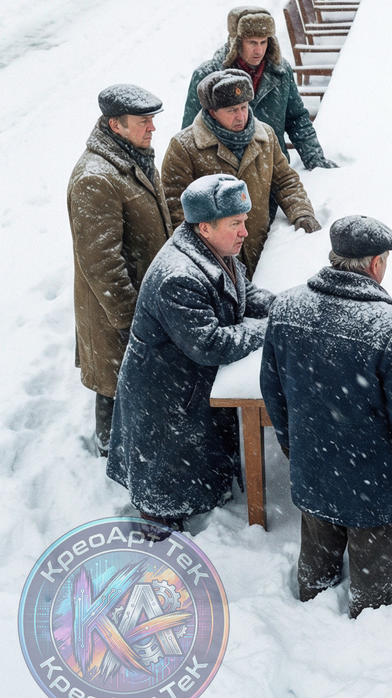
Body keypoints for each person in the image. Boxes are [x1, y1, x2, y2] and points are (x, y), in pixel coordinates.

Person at [260, 215, 392, 618]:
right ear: (376, 264)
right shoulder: (390, 327)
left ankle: (307, 622)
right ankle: (368, 639)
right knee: (373, 596)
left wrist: (294, 443)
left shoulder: (287, 308)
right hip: (372, 485)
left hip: (315, 472)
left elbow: (273, 390)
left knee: (315, 570)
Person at [107, 175, 274, 529]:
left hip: (186, 391)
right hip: (166, 400)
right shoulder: (178, 277)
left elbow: (246, 295)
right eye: (235, 224)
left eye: (244, 221)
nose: (245, 231)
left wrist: (285, 307)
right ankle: (158, 532)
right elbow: (210, 343)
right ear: (204, 228)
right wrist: (267, 329)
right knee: (165, 483)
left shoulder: (218, 252)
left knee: (192, 468)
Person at [67, 84, 172, 456]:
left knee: (127, 382)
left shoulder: (133, 156)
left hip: (141, 297)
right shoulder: (95, 178)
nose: (152, 128)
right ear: (116, 125)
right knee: (113, 384)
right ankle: (110, 451)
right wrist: (131, 320)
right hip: (115, 309)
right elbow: (101, 263)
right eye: (143, 121)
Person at [164, 68, 321, 275]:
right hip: (214, 262)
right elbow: (175, 208)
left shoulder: (265, 135)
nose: (241, 116)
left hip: (263, 252)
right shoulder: (184, 147)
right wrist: (202, 255)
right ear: (212, 112)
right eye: (231, 110)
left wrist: (301, 212)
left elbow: (285, 180)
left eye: (244, 107)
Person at [182, 6, 336, 173]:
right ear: (236, 43)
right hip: (226, 174)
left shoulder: (280, 72)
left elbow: (297, 119)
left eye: (264, 42)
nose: (259, 50)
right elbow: (191, 134)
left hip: (273, 169)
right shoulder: (207, 77)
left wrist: (315, 160)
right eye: (252, 43)